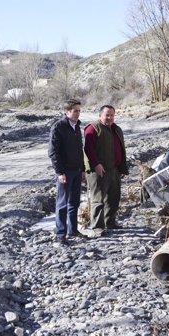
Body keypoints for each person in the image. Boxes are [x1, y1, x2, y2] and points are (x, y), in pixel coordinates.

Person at [84, 105, 129, 235]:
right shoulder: (92, 129)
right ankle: (97, 227)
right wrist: (96, 164)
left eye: (112, 115)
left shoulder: (116, 129)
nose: (109, 118)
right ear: (100, 115)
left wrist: (121, 168)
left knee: (113, 198)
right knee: (98, 199)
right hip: (98, 170)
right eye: (107, 115)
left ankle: (110, 222)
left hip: (114, 169)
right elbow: (88, 149)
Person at [48, 99, 87, 243]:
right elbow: (53, 152)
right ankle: (60, 235)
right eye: (75, 111)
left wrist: (82, 170)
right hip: (65, 172)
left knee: (74, 203)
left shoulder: (77, 126)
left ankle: (73, 230)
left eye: (79, 110)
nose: (78, 113)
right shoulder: (58, 127)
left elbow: (79, 150)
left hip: (77, 170)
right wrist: (60, 172)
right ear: (67, 111)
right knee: (62, 204)